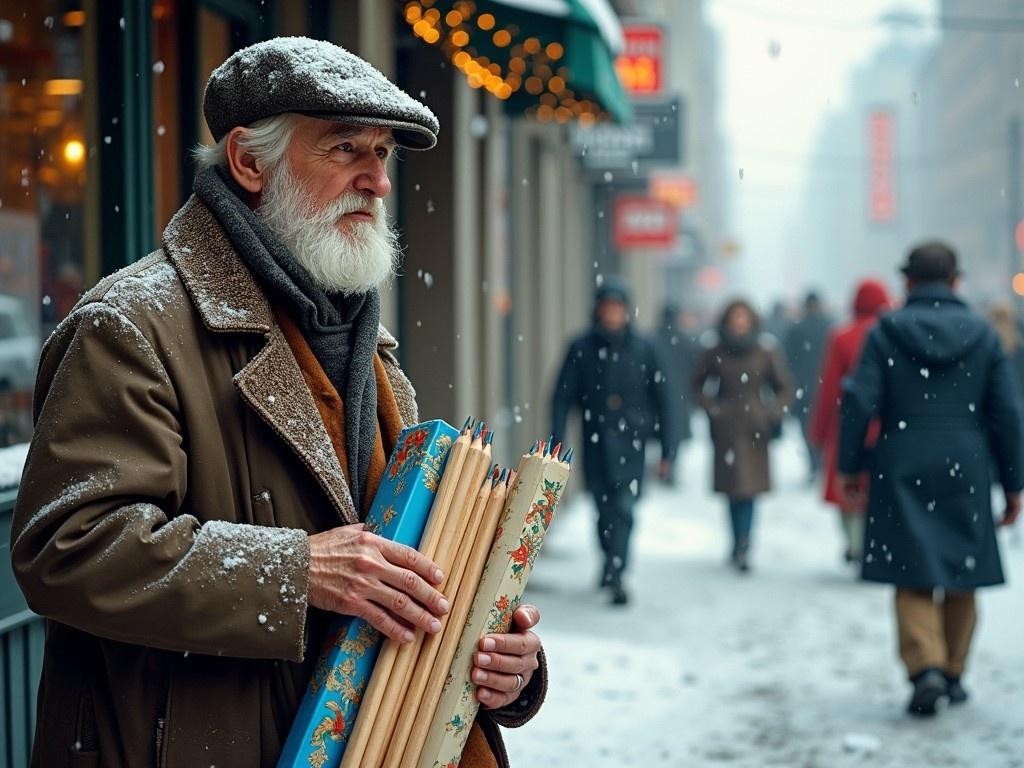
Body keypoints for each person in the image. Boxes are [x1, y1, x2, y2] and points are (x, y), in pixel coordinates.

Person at [10, 38, 544, 767]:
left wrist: (498, 661)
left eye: (383, 154)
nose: (377, 181)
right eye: (346, 148)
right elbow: (66, 548)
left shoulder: (370, 349)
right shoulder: (129, 324)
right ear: (248, 162)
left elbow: (398, 579)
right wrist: (297, 572)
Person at [838, 242, 1022, 717]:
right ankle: (954, 668)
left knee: (911, 571)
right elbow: (1006, 412)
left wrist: (850, 464)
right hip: (967, 459)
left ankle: (926, 668)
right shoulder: (983, 335)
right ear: (956, 282)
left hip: (902, 457)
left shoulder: (886, 332)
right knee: (963, 572)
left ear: (908, 282)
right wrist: (1014, 481)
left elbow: (860, 400)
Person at [551, 276, 674, 606]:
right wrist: (557, 439)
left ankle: (618, 572)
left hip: (633, 444)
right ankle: (608, 561)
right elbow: (562, 397)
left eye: (618, 308)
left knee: (625, 509)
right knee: (603, 509)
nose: (613, 314)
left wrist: (667, 448)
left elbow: (664, 400)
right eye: (607, 307)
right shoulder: (581, 348)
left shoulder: (644, 348)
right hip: (595, 443)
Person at [694, 300, 794, 572]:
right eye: (735, 318)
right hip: (726, 429)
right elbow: (697, 385)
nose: (739, 323)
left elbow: (784, 387)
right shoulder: (715, 351)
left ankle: (745, 543)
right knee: (731, 490)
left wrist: (771, 412)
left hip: (755, 429)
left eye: (743, 318)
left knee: (749, 490)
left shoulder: (765, 351)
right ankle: (736, 541)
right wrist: (714, 409)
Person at [808, 279, 891, 565]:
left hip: (848, 423)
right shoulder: (893, 334)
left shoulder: (842, 337)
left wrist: (818, 431)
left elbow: (830, 388)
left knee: (848, 487)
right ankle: (873, 543)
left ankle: (855, 543)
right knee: (878, 490)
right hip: (886, 425)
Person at [784, 291, 832, 482]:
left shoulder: (796, 329)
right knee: (826, 427)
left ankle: (814, 464)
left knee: (807, 429)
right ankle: (822, 462)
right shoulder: (829, 326)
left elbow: (788, 360)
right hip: (825, 386)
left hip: (804, 387)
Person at [654, 302, 701, 483]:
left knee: (664, 430)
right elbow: (694, 369)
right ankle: (670, 464)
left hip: (661, 392)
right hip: (679, 393)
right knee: (674, 432)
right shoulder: (685, 341)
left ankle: (665, 464)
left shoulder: (654, 339)